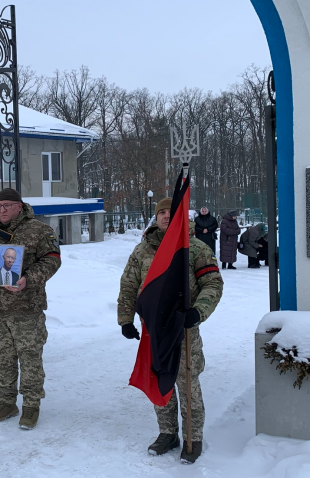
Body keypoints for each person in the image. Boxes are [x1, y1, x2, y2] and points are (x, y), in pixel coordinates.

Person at [117, 197, 224, 464]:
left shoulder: (196, 248)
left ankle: (192, 436)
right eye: (161, 212)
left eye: (171, 212)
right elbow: (128, 285)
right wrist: (125, 319)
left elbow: (213, 283)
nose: (166, 216)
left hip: (183, 328)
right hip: (154, 328)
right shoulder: (142, 251)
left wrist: (198, 311)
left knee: (187, 381)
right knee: (159, 379)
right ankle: (168, 433)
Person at [0, 188, 61, 430]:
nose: (3, 209)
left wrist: (28, 278)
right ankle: (7, 401)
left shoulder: (39, 230)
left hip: (26, 308)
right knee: (2, 359)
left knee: (29, 358)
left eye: (8, 205)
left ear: (20, 206)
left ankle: (31, 405)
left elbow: (52, 259)